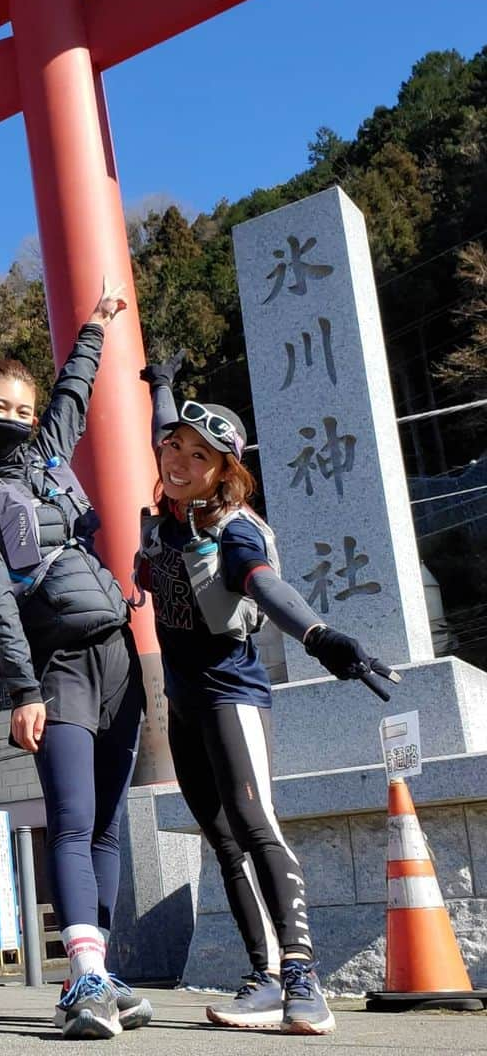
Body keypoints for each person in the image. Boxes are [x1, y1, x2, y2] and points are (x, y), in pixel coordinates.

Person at [136, 351, 400, 1036]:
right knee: (220, 840)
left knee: (257, 827)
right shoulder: (170, 510)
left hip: (232, 693)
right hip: (183, 698)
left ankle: (304, 984)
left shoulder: (235, 529)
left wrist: (320, 636)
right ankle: (261, 978)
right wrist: (161, 385)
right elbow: (165, 427)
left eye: (201, 458)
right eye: (177, 448)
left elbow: (264, 587)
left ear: (226, 472)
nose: (180, 461)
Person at [0, 279, 153, 1041]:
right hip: (56, 662)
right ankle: (82, 978)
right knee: (70, 821)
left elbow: (73, 392)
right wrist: (21, 686)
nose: (16, 421)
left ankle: (104, 967)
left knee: (107, 826)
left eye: (23, 412)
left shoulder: (47, 456)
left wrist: (94, 326)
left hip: (119, 654)